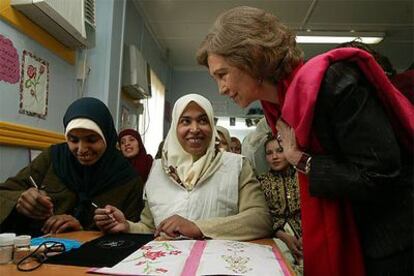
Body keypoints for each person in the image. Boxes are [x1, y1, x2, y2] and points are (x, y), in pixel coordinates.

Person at [197, 6, 413, 276]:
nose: (221, 89)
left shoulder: (333, 83)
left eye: (222, 74)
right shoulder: (276, 109)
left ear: (251, 58)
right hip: (361, 239)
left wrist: (301, 159)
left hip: (393, 246)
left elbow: (381, 174)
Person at [94, 94, 272, 241]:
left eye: (202, 121)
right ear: (174, 127)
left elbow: (260, 219)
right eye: (185, 121)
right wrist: (128, 226)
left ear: (211, 125)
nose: (194, 129)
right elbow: (150, 226)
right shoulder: (157, 170)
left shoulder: (237, 166)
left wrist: (198, 227)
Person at [0, 97, 144, 236]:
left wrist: (81, 232)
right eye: (73, 139)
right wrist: (20, 199)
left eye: (92, 139)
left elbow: (129, 236)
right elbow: (4, 193)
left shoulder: (127, 179)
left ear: (107, 137)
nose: (81, 149)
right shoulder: (53, 158)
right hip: (34, 250)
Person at [258, 134, 302, 272]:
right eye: (269, 153)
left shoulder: (303, 178)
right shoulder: (260, 182)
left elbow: (313, 211)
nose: (274, 157)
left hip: (305, 234)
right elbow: (261, 216)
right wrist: (281, 235)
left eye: (280, 150)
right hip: (274, 236)